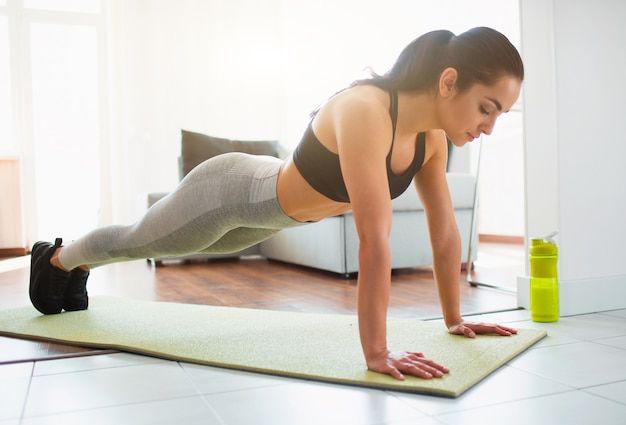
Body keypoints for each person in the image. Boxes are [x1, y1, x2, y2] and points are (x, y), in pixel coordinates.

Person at [29, 26, 523, 381]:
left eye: (500, 114)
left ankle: (68, 264)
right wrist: (376, 351)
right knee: (137, 240)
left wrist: (454, 319)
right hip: (229, 194)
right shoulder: (366, 111)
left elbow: (444, 231)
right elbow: (375, 239)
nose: (489, 127)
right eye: (487, 108)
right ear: (448, 80)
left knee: (158, 241)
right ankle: (57, 257)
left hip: (269, 222)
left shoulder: (432, 139)